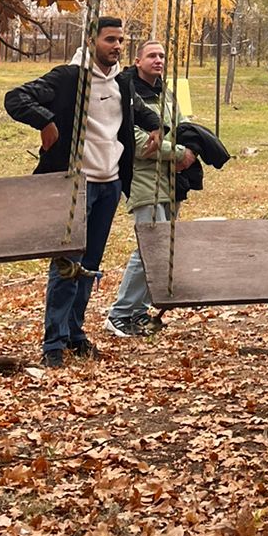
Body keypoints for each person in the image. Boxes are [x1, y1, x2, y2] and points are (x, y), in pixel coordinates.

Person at [4, 17, 159, 368]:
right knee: (67, 264)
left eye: (120, 40)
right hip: (76, 185)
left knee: (89, 265)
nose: (116, 46)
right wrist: (45, 121)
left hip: (110, 185)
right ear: (91, 42)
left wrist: (154, 125)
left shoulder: (122, 81)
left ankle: (75, 333)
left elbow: (135, 107)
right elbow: (16, 98)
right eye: (109, 40)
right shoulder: (69, 77)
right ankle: (53, 344)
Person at [103, 40, 196, 340]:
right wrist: (179, 153)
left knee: (161, 248)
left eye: (162, 56)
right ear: (138, 60)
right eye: (152, 55)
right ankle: (119, 313)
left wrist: (189, 149)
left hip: (171, 182)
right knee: (149, 246)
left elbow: (183, 127)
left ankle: (138, 311)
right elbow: (140, 144)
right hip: (144, 181)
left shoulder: (166, 93)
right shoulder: (126, 93)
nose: (158, 60)